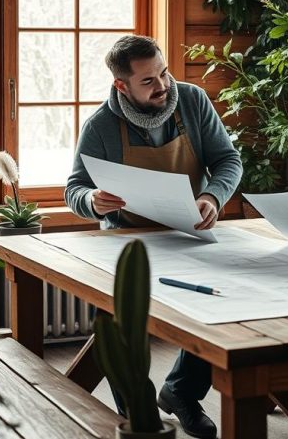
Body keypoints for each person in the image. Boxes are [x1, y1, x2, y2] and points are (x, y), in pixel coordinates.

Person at [66, 35, 242, 439]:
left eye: (163, 72)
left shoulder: (194, 102)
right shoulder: (100, 127)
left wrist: (213, 196)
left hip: (190, 234)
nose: (162, 85)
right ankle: (140, 418)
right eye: (148, 81)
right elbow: (73, 189)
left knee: (217, 310)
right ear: (121, 86)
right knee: (120, 328)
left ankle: (180, 391)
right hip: (127, 245)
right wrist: (92, 200)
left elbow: (227, 160)